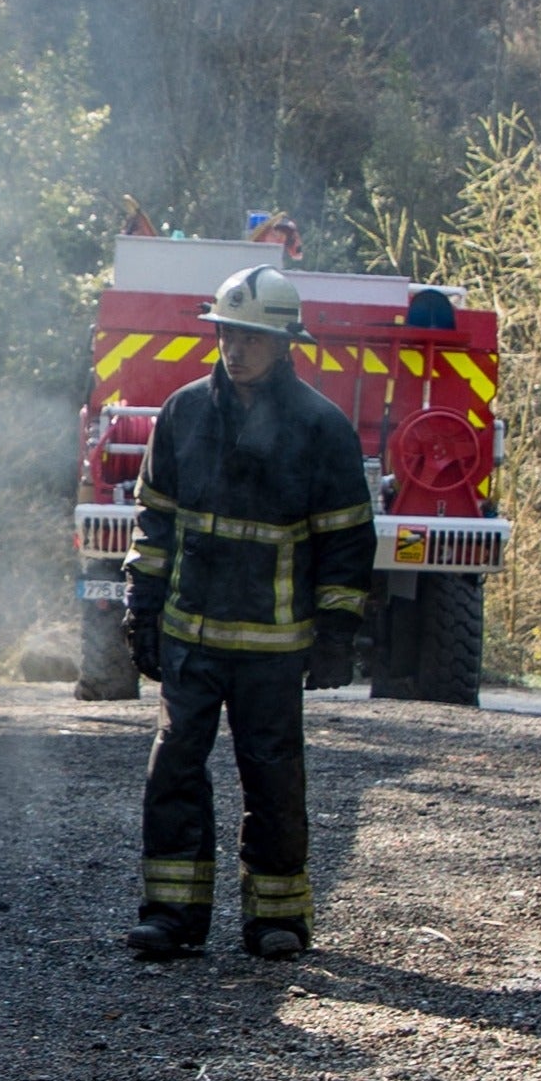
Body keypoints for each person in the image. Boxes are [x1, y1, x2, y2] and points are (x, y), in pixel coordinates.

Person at [122, 265, 373, 962]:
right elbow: (154, 521)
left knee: (272, 778)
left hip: (273, 644)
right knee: (173, 771)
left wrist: (336, 631)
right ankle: (171, 915)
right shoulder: (182, 414)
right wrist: (141, 607)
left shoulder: (321, 427)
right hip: (189, 634)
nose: (235, 349)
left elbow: (347, 541)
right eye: (227, 334)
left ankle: (276, 918)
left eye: (252, 338)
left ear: (285, 343)